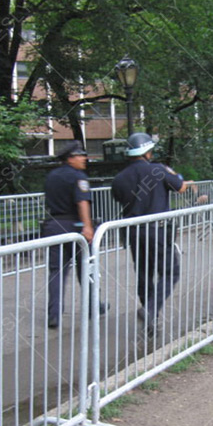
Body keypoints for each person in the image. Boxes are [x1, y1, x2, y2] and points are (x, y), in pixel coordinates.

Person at [111, 132, 193, 333]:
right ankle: (150, 310)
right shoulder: (158, 170)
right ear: (147, 151)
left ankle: (151, 322)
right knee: (170, 272)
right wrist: (173, 173)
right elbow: (180, 187)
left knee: (144, 275)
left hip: (133, 232)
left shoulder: (120, 178)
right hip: (157, 230)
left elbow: (118, 198)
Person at [41, 140, 105, 329]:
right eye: (80, 155)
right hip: (74, 225)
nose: (84, 158)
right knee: (86, 268)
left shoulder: (51, 176)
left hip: (53, 225)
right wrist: (87, 226)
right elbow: (82, 202)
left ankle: (54, 314)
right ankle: (93, 306)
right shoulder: (79, 177)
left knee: (57, 272)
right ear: (70, 158)